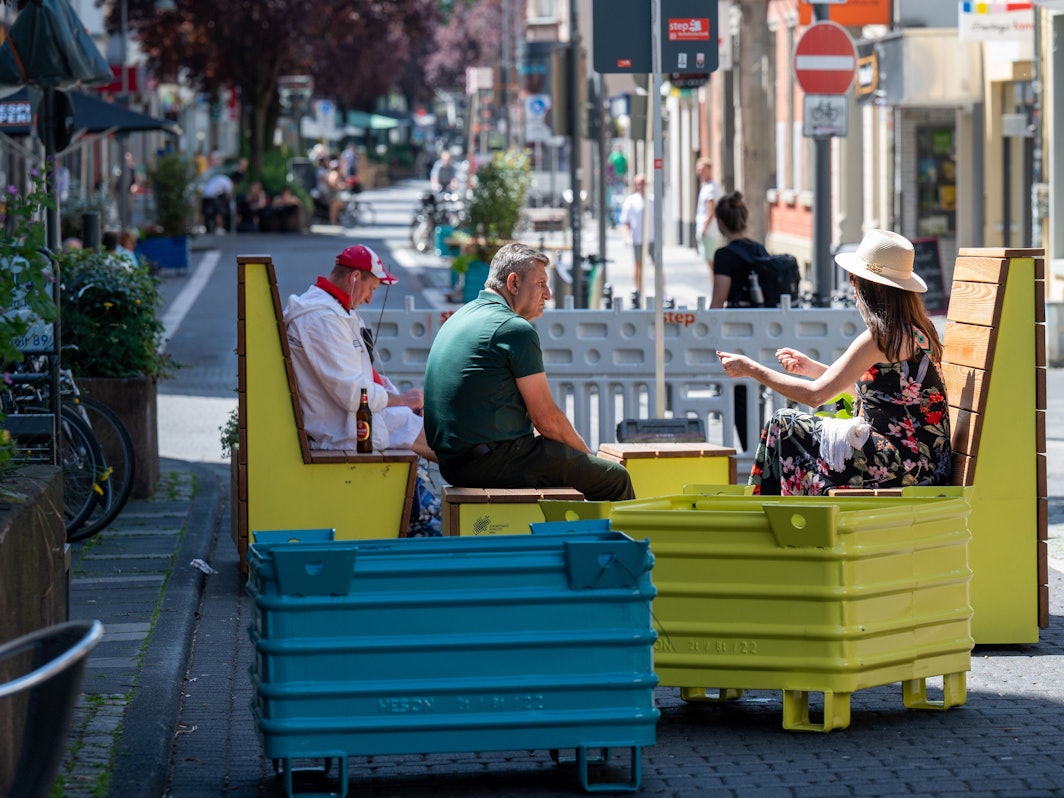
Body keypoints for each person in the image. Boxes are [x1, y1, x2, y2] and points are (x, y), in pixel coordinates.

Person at [717, 228, 952, 496]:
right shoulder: (920, 330)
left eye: (854, 279)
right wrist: (811, 368)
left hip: (903, 467)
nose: (852, 289)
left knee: (784, 424)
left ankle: (768, 514)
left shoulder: (882, 337)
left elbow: (815, 396)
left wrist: (751, 369)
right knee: (795, 432)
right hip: (927, 465)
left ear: (870, 287)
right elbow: (881, 397)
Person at [423, 242, 635, 502]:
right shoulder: (514, 329)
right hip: (492, 462)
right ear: (513, 283)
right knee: (614, 478)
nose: (548, 294)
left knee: (562, 469)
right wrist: (587, 458)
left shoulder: (460, 316)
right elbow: (546, 419)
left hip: (454, 464)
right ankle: (620, 543)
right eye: (541, 284)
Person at [283, 245, 436, 461]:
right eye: (372, 288)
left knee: (435, 428)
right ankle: (482, 485)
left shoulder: (333, 310)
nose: (369, 299)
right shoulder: (323, 320)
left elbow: (360, 376)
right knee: (445, 442)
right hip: (341, 430)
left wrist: (400, 400)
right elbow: (353, 393)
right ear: (354, 277)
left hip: (349, 419)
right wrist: (400, 400)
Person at [709, 191, 767, 309]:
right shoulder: (759, 249)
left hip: (737, 322)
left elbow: (718, 302)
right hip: (763, 320)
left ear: (720, 222)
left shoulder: (723, 256)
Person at [619, 173, 654, 308]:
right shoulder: (631, 201)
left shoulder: (652, 200)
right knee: (638, 265)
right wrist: (625, 237)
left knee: (657, 264)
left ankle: (662, 291)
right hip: (637, 238)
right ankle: (639, 291)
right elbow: (626, 221)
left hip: (651, 238)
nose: (640, 186)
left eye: (642, 183)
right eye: (638, 183)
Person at [694, 158, 719, 275]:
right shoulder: (706, 187)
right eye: (698, 169)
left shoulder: (711, 188)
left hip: (709, 231)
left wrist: (703, 229)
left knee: (712, 264)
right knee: (710, 264)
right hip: (707, 230)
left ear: (709, 169)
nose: (700, 172)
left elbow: (711, 211)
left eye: (702, 169)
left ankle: (717, 291)